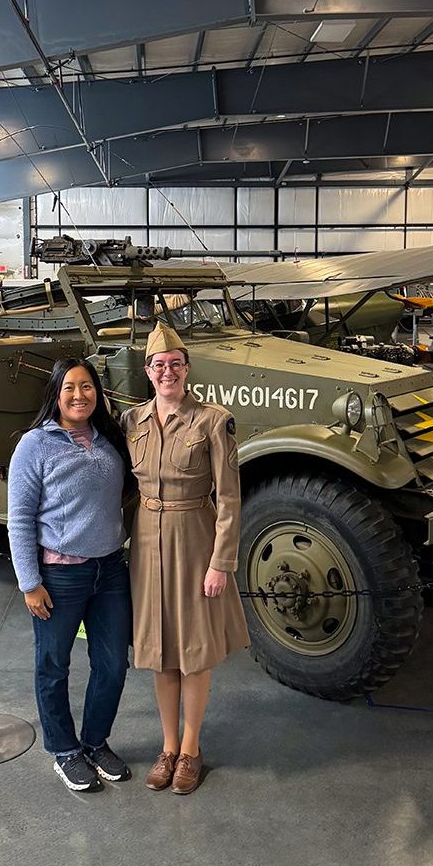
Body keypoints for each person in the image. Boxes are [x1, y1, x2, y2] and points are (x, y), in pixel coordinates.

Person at [121, 322, 249, 795]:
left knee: (194, 650)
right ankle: (168, 747)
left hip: (195, 538)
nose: (167, 372)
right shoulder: (131, 421)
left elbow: (229, 498)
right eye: (159, 365)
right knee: (159, 650)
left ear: (187, 369)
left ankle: (191, 750)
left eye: (175, 364)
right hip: (147, 542)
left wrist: (221, 562)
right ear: (147, 371)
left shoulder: (213, 421)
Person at [8, 357, 133, 793]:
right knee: (53, 666)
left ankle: (95, 742)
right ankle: (64, 750)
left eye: (87, 386)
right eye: (70, 388)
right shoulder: (35, 445)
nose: (80, 395)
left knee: (113, 664)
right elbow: (19, 519)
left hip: (110, 570)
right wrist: (30, 583)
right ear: (56, 395)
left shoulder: (108, 438)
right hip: (60, 576)